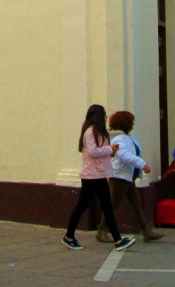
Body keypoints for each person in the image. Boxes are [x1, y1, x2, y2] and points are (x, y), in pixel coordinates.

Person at [62, 104, 135, 252]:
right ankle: (69, 236)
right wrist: (110, 149)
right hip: (91, 176)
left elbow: (100, 151)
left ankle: (118, 240)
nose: (106, 117)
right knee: (82, 206)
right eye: (104, 114)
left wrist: (111, 151)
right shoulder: (90, 132)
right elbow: (93, 151)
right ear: (98, 116)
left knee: (107, 207)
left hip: (100, 174)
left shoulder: (99, 132)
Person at [96, 111, 164, 243]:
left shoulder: (127, 137)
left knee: (136, 204)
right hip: (119, 177)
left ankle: (146, 232)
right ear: (125, 123)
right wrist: (142, 164)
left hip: (127, 177)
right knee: (113, 205)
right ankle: (101, 231)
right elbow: (124, 155)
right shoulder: (119, 139)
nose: (133, 124)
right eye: (131, 122)